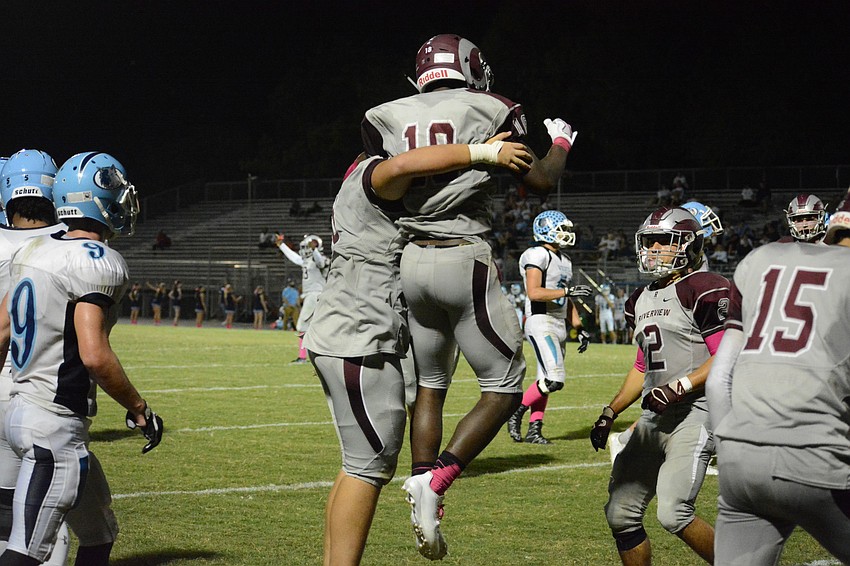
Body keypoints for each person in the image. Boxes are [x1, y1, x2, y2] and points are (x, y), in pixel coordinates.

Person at [361, 33, 577, 560]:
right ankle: (434, 484)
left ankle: (418, 483)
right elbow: (541, 182)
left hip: (410, 259)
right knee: (505, 387)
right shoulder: (493, 107)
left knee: (431, 384)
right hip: (463, 256)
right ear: (472, 68)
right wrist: (563, 144)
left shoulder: (382, 115)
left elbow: (382, 182)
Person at [305, 135, 531, 566]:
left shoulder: (354, 179)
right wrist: (482, 152)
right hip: (359, 334)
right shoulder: (377, 171)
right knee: (367, 470)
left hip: (344, 329)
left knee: (355, 467)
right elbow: (400, 167)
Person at [0, 151, 163, 566]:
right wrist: (140, 409)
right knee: (26, 552)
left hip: (22, 412)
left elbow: (1, 331)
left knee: (98, 531)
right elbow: (93, 354)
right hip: (53, 422)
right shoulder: (97, 260)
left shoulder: (34, 250)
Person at [705, 193, 850, 565]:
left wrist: (730, 450)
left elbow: (720, 376)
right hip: (814, 454)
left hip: (739, 457)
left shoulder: (761, 259)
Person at [589, 206, 729, 566]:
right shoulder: (640, 298)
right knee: (620, 513)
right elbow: (642, 365)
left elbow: (727, 356)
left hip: (695, 413)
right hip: (654, 416)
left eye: (663, 243)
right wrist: (611, 411)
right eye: (649, 242)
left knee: (674, 512)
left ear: (689, 245)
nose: (653, 250)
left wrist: (680, 387)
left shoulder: (705, 286)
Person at [0, 149, 71, 565]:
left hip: (1, 386)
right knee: (45, 516)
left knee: (6, 511)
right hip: (44, 388)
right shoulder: (67, 243)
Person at [506, 211, 592, 445]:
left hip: (557, 323)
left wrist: (578, 326)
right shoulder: (537, 254)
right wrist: (567, 292)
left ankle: (535, 430)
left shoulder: (565, 260)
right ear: (547, 230)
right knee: (555, 379)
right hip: (540, 320)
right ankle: (516, 410)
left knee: (543, 379)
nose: (567, 234)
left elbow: (568, 299)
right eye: (562, 229)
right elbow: (534, 292)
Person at [276, 233, 328, 364]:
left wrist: (315, 250)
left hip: (316, 294)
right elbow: (295, 258)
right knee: (317, 327)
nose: (305, 248)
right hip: (312, 295)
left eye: (308, 246)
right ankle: (319, 355)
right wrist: (282, 246)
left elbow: (321, 263)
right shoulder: (307, 260)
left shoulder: (321, 259)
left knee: (302, 326)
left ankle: (303, 356)